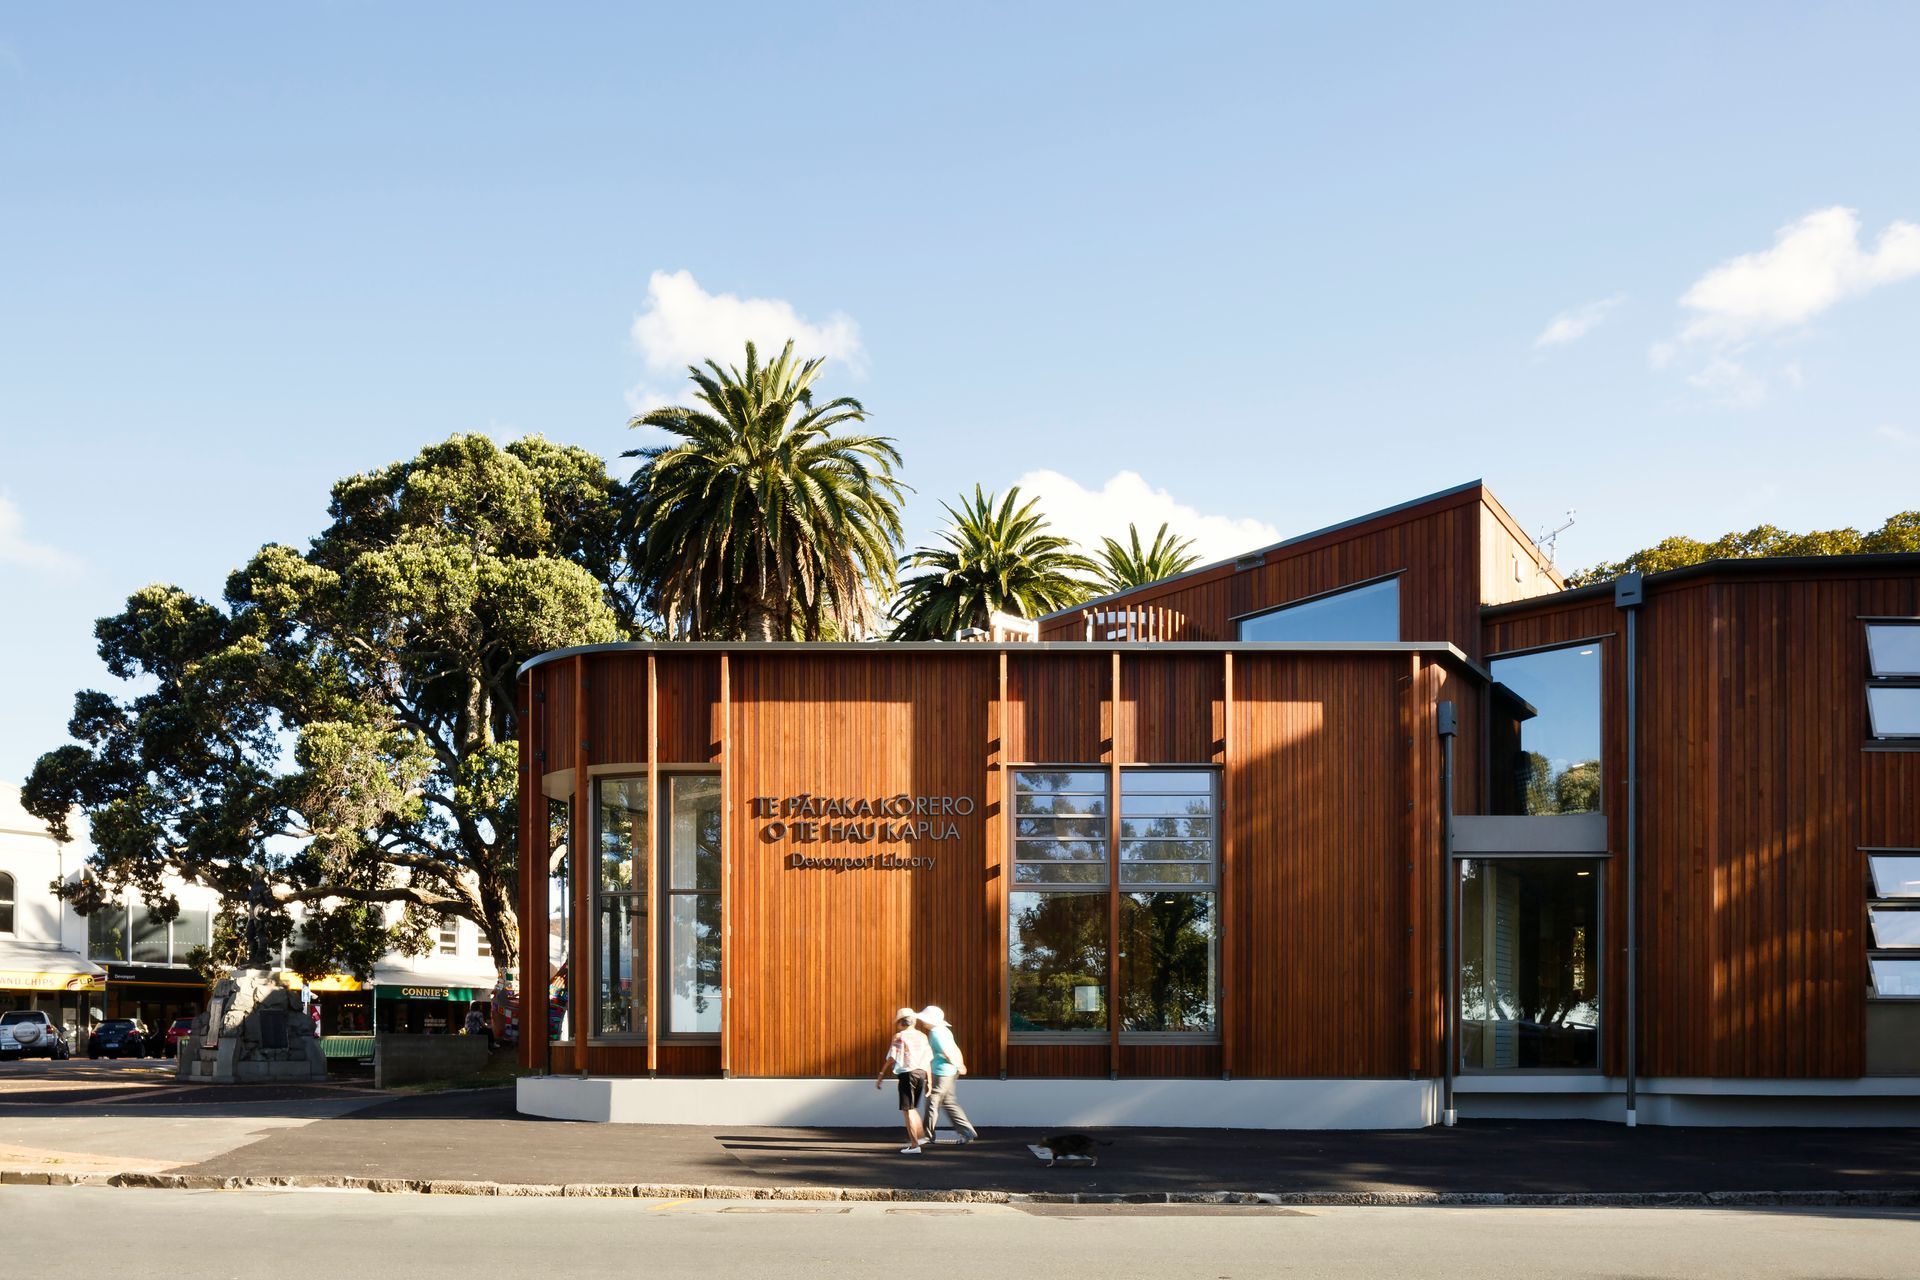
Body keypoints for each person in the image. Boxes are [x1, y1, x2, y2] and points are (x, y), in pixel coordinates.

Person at [916, 1005, 978, 1145]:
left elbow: (947, 1051)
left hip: (942, 1072)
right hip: (949, 1071)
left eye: (925, 1019)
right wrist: (959, 1065)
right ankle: (967, 1131)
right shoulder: (943, 1030)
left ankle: (927, 1134)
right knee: (949, 1102)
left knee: (933, 1101)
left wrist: (958, 1064)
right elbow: (954, 1048)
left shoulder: (936, 1033)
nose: (922, 1022)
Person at [873, 1006, 932, 1154]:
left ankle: (914, 1145)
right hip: (921, 1073)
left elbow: (892, 1057)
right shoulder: (922, 1036)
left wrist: (881, 1074)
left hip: (907, 1074)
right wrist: (929, 1080)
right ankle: (920, 1137)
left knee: (908, 1110)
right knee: (912, 1108)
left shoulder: (900, 1036)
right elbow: (928, 1059)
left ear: (901, 1022)